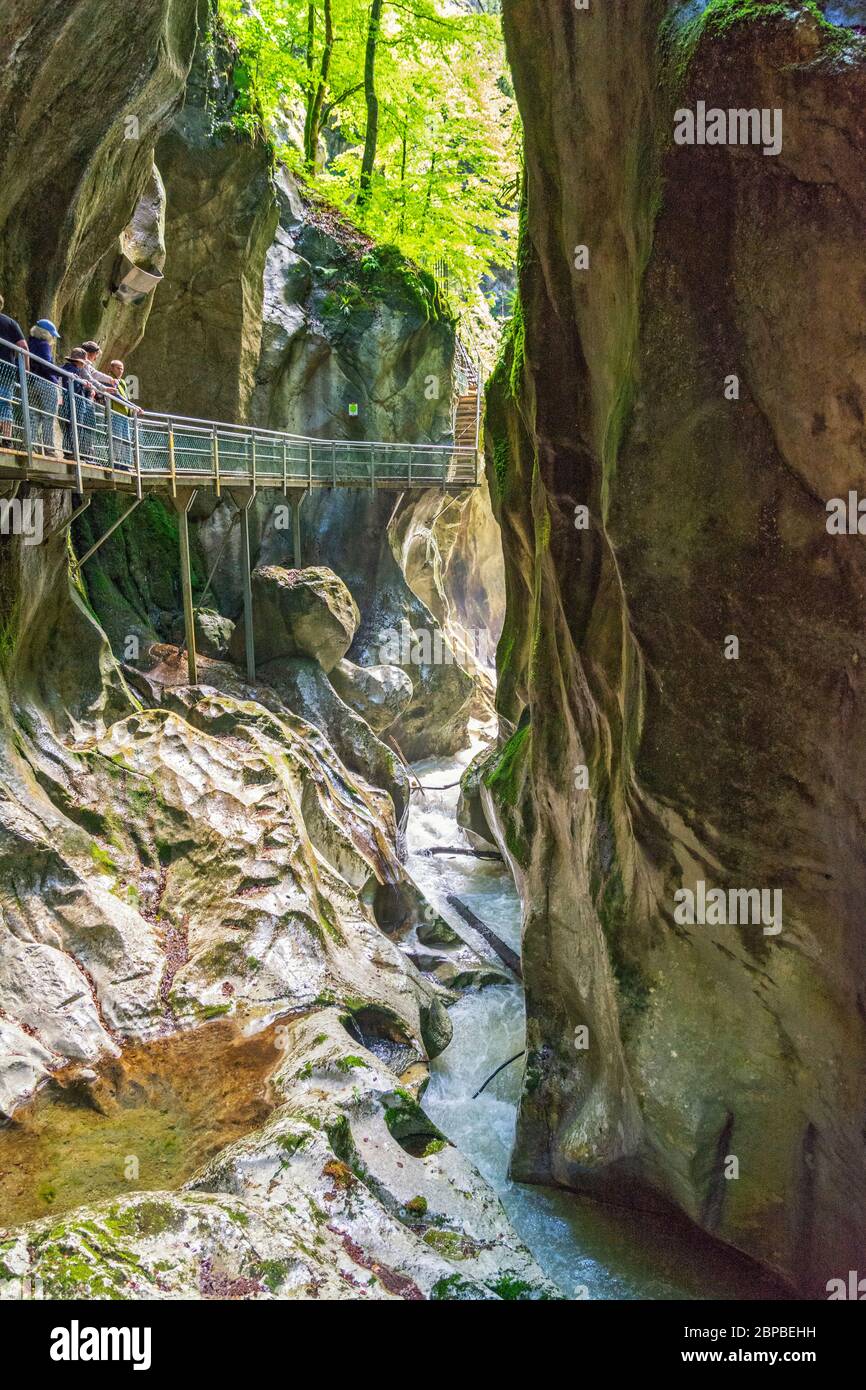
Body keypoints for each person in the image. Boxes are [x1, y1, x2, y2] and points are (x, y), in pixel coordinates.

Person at [26, 319, 62, 455]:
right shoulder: (43, 345)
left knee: (33, 415)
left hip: (31, 383)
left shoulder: (30, 343)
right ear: (46, 334)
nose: (53, 338)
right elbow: (46, 365)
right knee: (48, 417)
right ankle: (48, 449)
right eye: (52, 335)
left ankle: (31, 445)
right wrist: (63, 374)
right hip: (46, 383)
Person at [0, 293, 27, 443]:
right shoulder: (10, 323)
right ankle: (6, 438)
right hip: (6, 368)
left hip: (5, 369)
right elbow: (23, 346)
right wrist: (26, 368)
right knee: (4, 401)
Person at [60, 347, 95, 460]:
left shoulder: (66, 368)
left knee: (69, 426)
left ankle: (69, 451)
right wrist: (83, 385)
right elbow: (74, 388)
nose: (83, 365)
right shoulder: (74, 370)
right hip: (75, 401)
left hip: (68, 400)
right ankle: (73, 451)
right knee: (75, 426)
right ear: (79, 362)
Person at [106, 359, 139, 469]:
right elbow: (116, 396)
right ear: (111, 368)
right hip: (114, 413)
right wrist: (133, 407)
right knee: (116, 438)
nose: (120, 371)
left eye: (122, 369)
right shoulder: (109, 380)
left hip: (123, 415)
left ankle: (125, 464)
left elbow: (125, 398)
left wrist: (132, 408)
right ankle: (116, 464)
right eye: (118, 368)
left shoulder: (123, 382)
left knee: (126, 439)